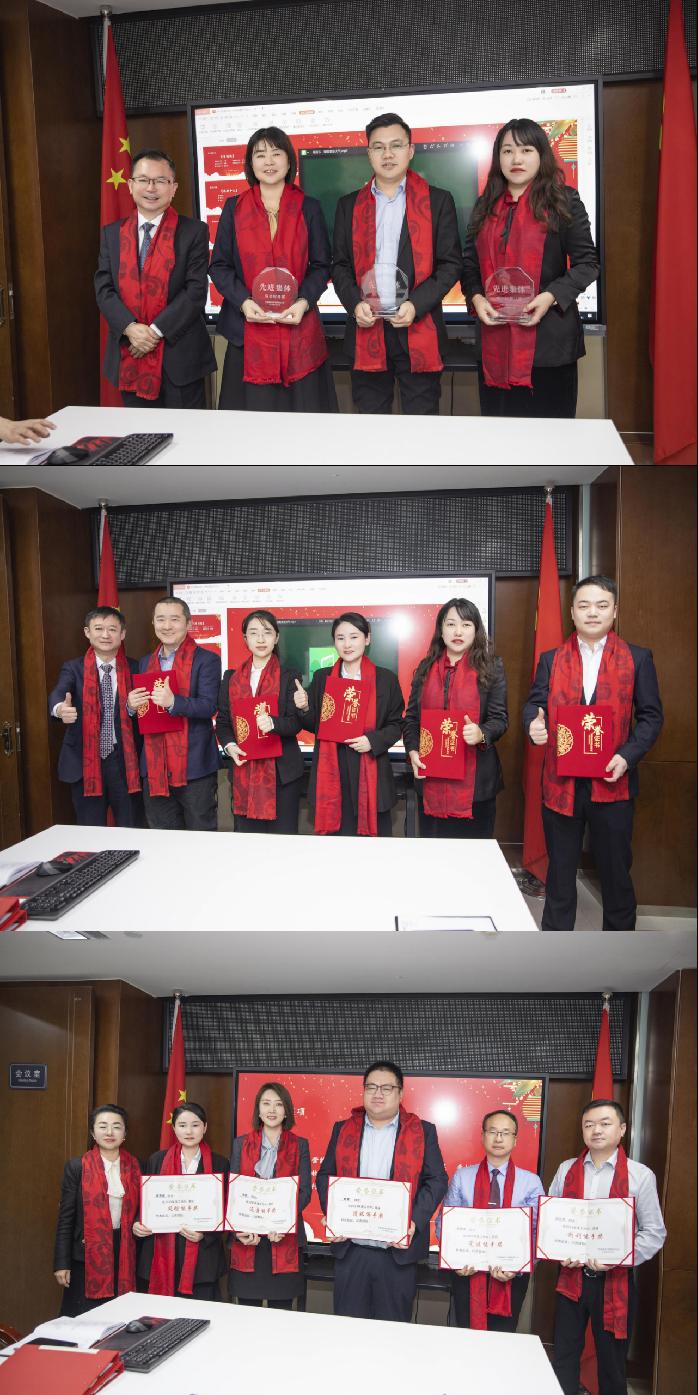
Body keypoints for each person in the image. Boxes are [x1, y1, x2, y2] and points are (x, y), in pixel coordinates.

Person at [523, 574, 663, 931]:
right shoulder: (551, 659)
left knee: (616, 876)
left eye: (602, 605)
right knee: (559, 876)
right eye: (584, 605)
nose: (592, 612)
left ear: (614, 611)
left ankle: (617, 958)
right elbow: (534, 705)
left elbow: (651, 717)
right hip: (561, 785)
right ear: (572, 612)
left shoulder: (638, 658)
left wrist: (627, 756)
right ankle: (558, 952)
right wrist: (533, 725)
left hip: (613, 783)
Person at [462, 118, 599, 418]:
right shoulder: (484, 206)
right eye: (508, 151)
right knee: (501, 436)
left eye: (526, 150)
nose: (516, 159)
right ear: (498, 158)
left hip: (549, 346)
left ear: (541, 155)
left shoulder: (564, 201)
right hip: (494, 342)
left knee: (551, 438)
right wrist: (477, 297)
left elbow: (588, 264)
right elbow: (469, 266)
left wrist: (550, 296)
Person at [332, 112, 461, 415]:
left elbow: (451, 264)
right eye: (378, 147)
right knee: (371, 427)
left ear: (410, 150)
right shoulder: (348, 205)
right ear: (369, 154)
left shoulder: (438, 201)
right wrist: (354, 304)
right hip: (366, 329)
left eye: (396, 145)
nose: (387, 154)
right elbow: (339, 265)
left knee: (421, 426)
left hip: (418, 328)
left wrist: (416, 305)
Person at [210, 126, 337, 412]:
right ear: (250, 163)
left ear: (289, 161)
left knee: (302, 422)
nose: (269, 161)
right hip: (247, 331)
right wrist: (244, 302)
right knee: (251, 425)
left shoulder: (309, 207)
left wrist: (303, 302)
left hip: (299, 330)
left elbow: (321, 265)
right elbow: (219, 266)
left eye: (276, 153)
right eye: (260, 154)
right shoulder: (233, 208)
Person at [549, 1099, 666, 1395]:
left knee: (612, 1364)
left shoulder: (640, 1175)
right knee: (564, 1355)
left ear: (622, 1129)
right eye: (589, 1125)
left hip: (615, 1282)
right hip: (571, 1279)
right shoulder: (566, 1170)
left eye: (605, 1123)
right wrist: (559, 1251)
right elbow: (551, 1222)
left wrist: (617, 1258)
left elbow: (654, 1233)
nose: (596, 1130)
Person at [316, 1060, 447, 1322]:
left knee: (392, 1334)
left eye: (386, 1088)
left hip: (397, 1256)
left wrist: (413, 1221)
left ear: (400, 1093)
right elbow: (325, 1176)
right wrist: (334, 1215)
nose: (378, 1093)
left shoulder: (422, 1131)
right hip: (351, 1252)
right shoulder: (343, 1129)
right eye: (371, 1087)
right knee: (348, 1329)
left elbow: (437, 1180)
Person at [95, 148, 216, 408]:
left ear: (173, 188)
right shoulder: (112, 234)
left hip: (180, 358)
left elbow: (195, 291)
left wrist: (152, 333)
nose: (151, 188)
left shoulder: (194, 232)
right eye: (143, 180)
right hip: (130, 353)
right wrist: (130, 328)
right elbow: (104, 289)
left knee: (188, 431)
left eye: (160, 181)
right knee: (139, 431)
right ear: (130, 185)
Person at [403, 598, 508, 838]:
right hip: (431, 779)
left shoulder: (491, 667)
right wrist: (413, 750)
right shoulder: (425, 668)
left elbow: (500, 719)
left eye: (466, 624)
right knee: (435, 853)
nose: (458, 632)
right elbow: (411, 719)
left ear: (476, 630)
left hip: (476, 787)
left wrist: (482, 733)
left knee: (473, 854)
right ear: (441, 630)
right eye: (451, 624)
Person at [293, 612, 404, 835]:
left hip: (372, 770)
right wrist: (304, 708)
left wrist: (373, 741)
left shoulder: (385, 679)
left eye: (354, 637)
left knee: (374, 849)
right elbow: (315, 724)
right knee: (336, 847)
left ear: (367, 639)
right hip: (334, 771)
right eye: (340, 638)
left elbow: (397, 724)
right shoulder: (323, 677)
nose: (347, 644)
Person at [437, 1109, 544, 1331]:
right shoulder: (462, 1177)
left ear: (515, 1140)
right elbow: (444, 1223)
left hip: (511, 1275)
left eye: (505, 1133)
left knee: (503, 1338)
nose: (498, 1138)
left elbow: (537, 1231)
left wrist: (519, 1266)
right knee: (466, 1335)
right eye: (493, 1131)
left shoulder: (531, 1182)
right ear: (483, 1136)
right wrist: (454, 1260)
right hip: (466, 1271)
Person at [128, 596, 221, 831]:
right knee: (162, 837)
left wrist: (173, 703)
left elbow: (209, 706)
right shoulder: (145, 662)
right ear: (153, 623)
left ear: (188, 623)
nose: (167, 626)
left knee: (201, 836)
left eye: (174, 619)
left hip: (195, 766)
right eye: (161, 619)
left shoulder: (207, 660)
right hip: (155, 766)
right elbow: (144, 712)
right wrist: (131, 706)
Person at [48, 605, 142, 827]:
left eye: (112, 629)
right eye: (98, 628)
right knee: (90, 832)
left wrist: (131, 709)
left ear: (123, 634)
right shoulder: (73, 668)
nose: (105, 635)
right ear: (87, 632)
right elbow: (59, 693)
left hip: (126, 763)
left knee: (132, 830)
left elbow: (144, 712)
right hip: (85, 762)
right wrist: (60, 709)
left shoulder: (136, 667)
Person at [216, 610, 304, 833]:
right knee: (248, 842)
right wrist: (229, 745)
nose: (261, 639)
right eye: (254, 633)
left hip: (283, 776)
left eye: (267, 632)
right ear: (245, 639)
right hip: (244, 770)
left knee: (283, 841)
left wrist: (274, 724)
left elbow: (295, 723)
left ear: (276, 637)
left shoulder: (289, 676)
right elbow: (224, 722)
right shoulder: (231, 678)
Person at [228, 1081, 311, 1309]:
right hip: (249, 1239)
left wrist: (282, 1223)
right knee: (247, 1312)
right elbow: (234, 1192)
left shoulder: (300, 1145)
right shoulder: (241, 1144)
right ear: (258, 1109)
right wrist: (241, 1229)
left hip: (284, 1238)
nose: (272, 1110)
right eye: (266, 1104)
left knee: (281, 1313)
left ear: (287, 1110)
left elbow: (304, 1192)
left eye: (278, 1104)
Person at [53, 1104, 140, 1317]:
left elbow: (143, 1209)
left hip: (124, 1254)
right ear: (93, 1132)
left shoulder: (136, 1166)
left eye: (116, 1126)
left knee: (119, 1318)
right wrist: (61, 1263)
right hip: (86, 1257)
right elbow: (66, 1218)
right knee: (84, 1320)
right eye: (102, 1126)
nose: (109, 1132)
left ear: (125, 1133)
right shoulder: (77, 1167)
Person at [135, 1104, 229, 1301]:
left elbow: (226, 1207)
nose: (189, 1131)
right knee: (161, 1313)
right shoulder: (157, 1160)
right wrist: (137, 1223)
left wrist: (205, 1234)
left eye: (195, 1125)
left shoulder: (219, 1163)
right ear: (174, 1128)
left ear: (205, 1127)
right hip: (161, 1250)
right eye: (182, 1125)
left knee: (201, 1313)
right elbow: (145, 1201)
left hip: (202, 1257)